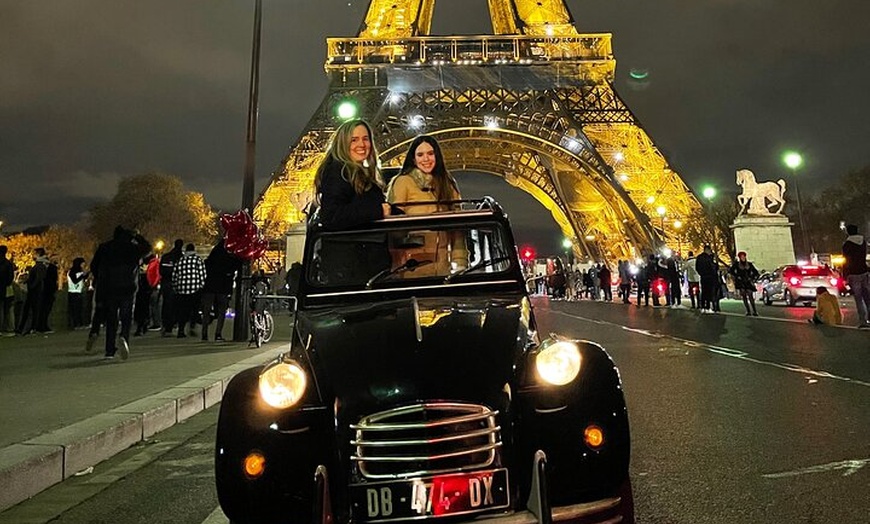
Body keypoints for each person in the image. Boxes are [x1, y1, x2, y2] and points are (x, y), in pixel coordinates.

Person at [313, 119, 392, 284]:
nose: (362, 144)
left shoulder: (356, 172)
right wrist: (378, 211)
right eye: (354, 140)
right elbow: (331, 216)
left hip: (359, 266)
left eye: (365, 138)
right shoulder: (338, 172)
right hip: (351, 270)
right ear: (343, 143)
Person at [386, 135, 468, 276]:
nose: (426, 159)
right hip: (410, 267)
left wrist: (460, 262)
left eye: (430, 154)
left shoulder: (448, 185)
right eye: (420, 155)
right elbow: (393, 229)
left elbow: (458, 230)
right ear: (413, 159)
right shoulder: (403, 182)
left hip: (443, 268)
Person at [89, 226, 151, 360]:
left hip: (109, 287)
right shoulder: (132, 248)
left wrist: (100, 277)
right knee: (126, 316)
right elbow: (148, 248)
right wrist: (137, 236)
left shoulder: (105, 248)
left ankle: (109, 351)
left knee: (111, 318)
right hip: (128, 286)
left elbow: (94, 266)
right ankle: (124, 336)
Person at [200, 239, 241, 342]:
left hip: (209, 287)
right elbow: (235, 266)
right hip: (223, 287)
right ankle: (218, 333)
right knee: (222, 310)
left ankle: (204, 334)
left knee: (206, 310)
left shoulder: (210, 260)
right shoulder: (229, 259)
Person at [172, 243, 206, 338]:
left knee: (183, 310)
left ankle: (181, 330)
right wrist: (201, 285)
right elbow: (202, 274)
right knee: (194, 309)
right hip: (195, 289)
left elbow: (175, 274)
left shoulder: (181, 260)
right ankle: (192, 327)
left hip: (182, 288)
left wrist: (175, 286)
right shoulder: (198, 260)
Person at [841, 224, 870, 329]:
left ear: (848, 232)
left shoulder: (847, 245)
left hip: (853, 273)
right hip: (864, 271)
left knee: (858, 298)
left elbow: (846, 261)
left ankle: (863, 320)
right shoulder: (863, 242)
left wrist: (844, 275)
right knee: (867, 297)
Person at [16, 248, 49, 335]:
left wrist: (31, 285)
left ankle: (29, 328)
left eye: (34, 253)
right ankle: (29, 328)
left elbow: (38, 278)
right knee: (33, 310)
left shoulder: (39, 266)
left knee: (31, 310)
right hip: (36, 290)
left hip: (34, 291)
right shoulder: (43, 265)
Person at [159, 239, 184, 336]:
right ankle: (175, 324)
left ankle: (166, 326)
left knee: (167, 305)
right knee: (177, 306)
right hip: (178, 285)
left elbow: (161, 271)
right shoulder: (182, 258)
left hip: (166, 284)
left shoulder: (166, 257)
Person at [729, 251, 760, 316]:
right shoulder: (736, 265)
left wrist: (753, 278)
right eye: (741, 257)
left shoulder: (749, 264)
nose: (743, 258)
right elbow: (731, 271)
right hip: (741, 282)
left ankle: (754, 311)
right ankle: (748, 311)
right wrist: (736, 277)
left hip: (748, 281)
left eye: (744, 256)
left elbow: (756, 272)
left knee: (750, 295)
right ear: (740, 257)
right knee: (744, 296)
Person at [696, 244, 719, 313]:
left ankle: (703, 307)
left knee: (704, 291)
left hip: (703, 277)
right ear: (708, 250)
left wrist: (701, 274)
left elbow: (697, 268)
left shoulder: (699, 257)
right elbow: (713, 267)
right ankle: (708, 307)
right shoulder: (709, 258)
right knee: (709, 292)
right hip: (710, 277)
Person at [66, 257, 88, 329]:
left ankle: (80, 323)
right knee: (75, 309)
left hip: (79, 291)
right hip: (73, 292)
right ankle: (75, 324)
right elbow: (75, 281)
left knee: (80, 309)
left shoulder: (80, 271)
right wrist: (82, 275)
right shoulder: (72, 272)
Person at [0, 246, 14, 334]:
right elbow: (10, 278)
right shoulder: (8, 263)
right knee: (8, 309)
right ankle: (8, 328)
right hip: (5, 288)